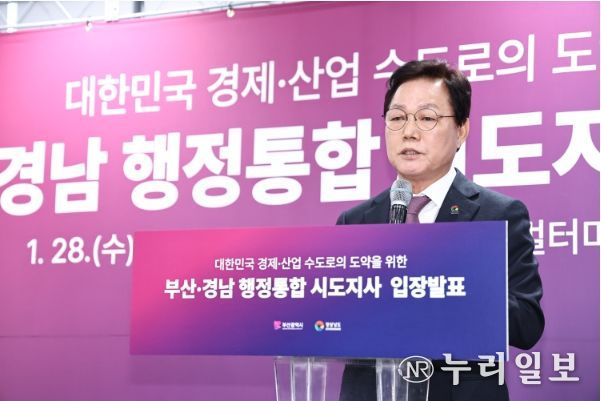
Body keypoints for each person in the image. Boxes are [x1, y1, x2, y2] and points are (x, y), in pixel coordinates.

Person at [336, 59, 544, 401]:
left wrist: (444, 281)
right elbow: (333, 323)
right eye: (397, 118)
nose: (409, 132)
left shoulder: (498, 215)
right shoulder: (355, 222)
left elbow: (527, 324)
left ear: (461, 129)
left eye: (427, 118)